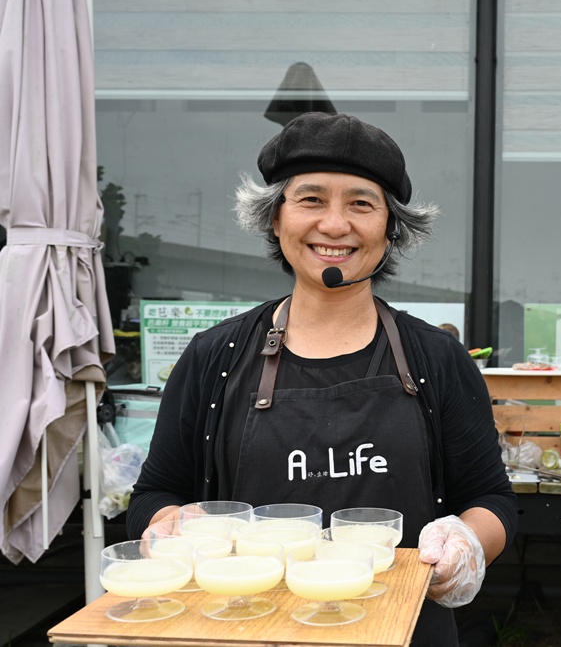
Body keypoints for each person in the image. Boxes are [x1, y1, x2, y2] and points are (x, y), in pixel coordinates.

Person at [125, 112, 516, 645]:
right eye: (311, 200)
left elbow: (491, 498)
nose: (335, 225)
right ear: (274, 219)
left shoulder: (437, 358)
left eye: (361, 203)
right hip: (244, 628)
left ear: (391, 227)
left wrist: (467, 541)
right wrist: (170, 524)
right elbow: (157, 492)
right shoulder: (214, 356)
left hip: (405, 632)